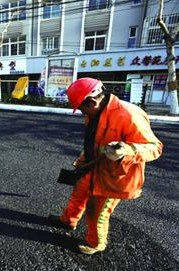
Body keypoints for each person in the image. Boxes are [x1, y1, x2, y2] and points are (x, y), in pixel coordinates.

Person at [51, 78, 162, 255]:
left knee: (96, 211)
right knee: (79, 191)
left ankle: (96, 244)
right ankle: (68, 221)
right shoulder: (95, 113)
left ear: (92, 102)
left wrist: (126, 150)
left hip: (116, 177)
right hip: (94, 167)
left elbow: (155, 148)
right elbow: (95, 140)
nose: (82, 113)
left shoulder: (129, 115)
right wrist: (83, 158)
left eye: (82, 109)